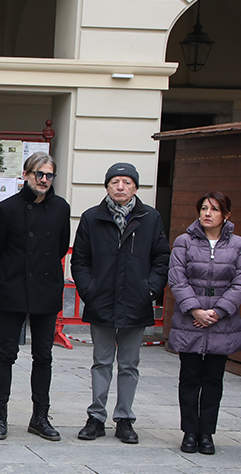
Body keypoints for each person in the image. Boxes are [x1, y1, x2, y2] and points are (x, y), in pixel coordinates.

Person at [71, 162, 169, 444]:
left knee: (129, 364)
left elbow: (161, 258)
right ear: (107, 187)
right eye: (115, 182)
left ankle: (125, 418)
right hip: (101, 300)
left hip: (136, 301)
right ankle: (96, 417)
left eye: (127, 182)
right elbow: (80, 260)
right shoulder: (92, 217)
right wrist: (89, 290)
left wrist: (149, 289)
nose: (121, 187)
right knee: (101, 361)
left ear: (136, 187)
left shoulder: (150, 218)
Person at [0, 151, 71, 441]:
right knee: (6, 353)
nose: (44, 180)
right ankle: (0, 415)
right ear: (26, 176)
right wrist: (10, 272)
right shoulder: (7, 209)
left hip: (46, 288)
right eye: (39, 174)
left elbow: (61, 246)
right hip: (14, 287)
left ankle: (40, 416)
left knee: (43, 355)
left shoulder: (61, 208)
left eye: (49, 175)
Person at [167, 192, 241, 455]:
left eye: (214, 209)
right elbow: (177, 279)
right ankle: (190, 432)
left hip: (221, 323)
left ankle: (207, 433)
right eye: (204, 208)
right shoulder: (184, 242)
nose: (207, 213)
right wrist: (194, 310)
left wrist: (217, 311)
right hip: (189, 322)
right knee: (189, 378)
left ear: (226, 215)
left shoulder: (240, 245)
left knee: (214, 380)